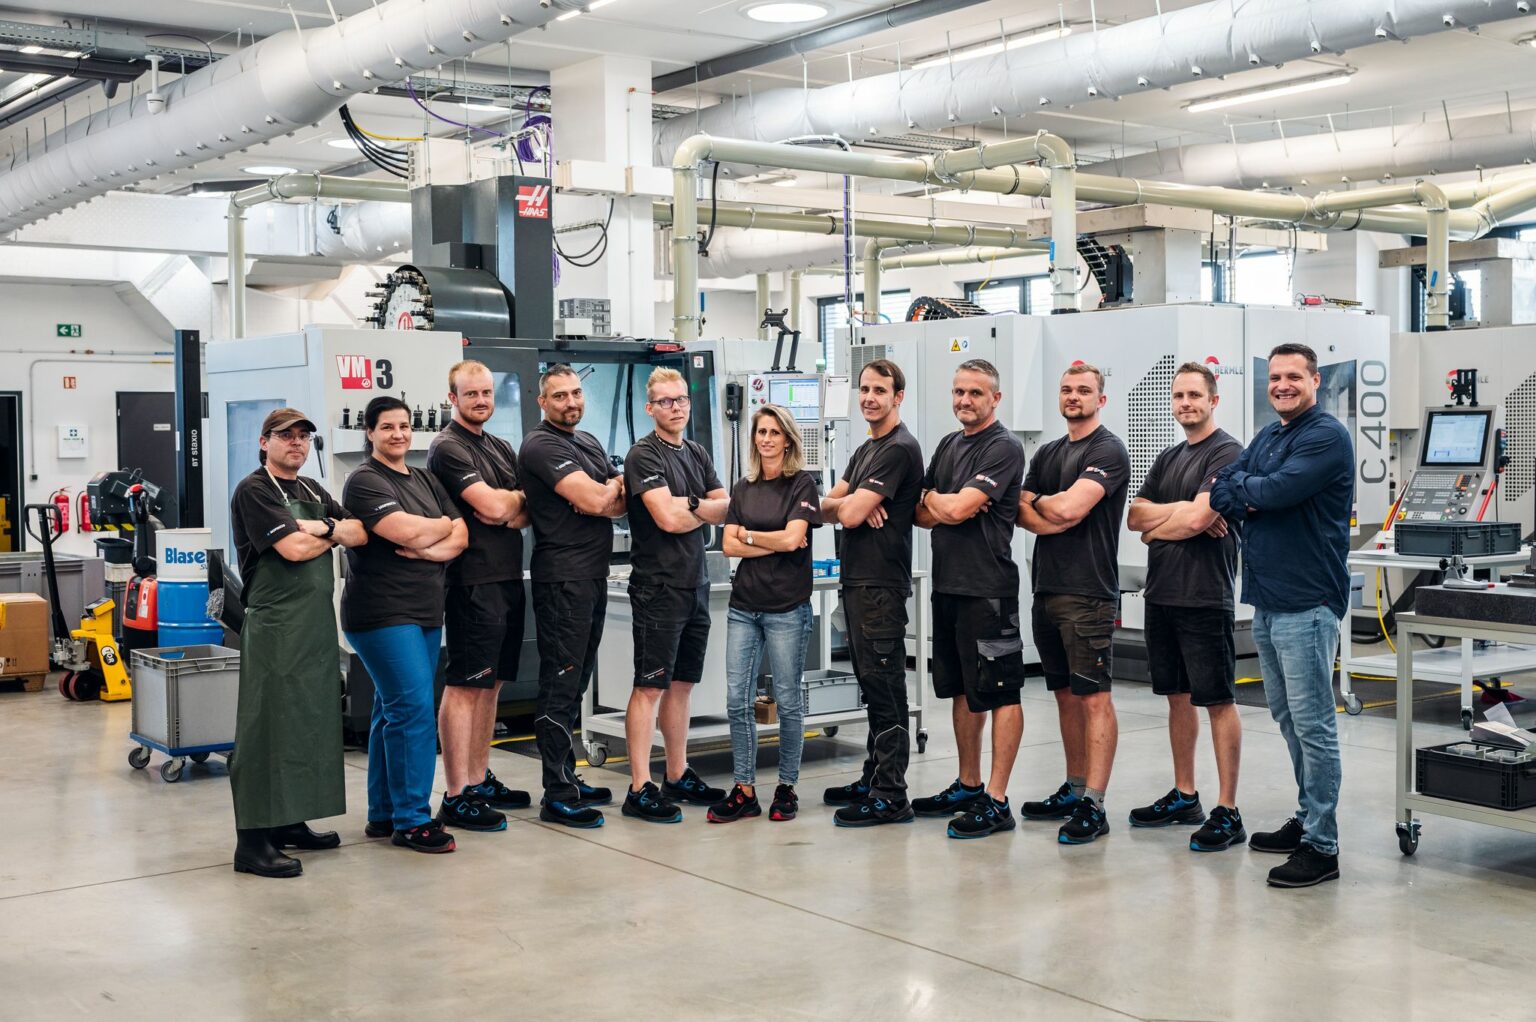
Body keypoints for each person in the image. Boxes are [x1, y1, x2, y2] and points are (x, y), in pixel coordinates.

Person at [1210, 342, 1352, 889]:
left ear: (1315, 380)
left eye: (1294, 376)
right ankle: (1308, 816)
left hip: (1308, 601)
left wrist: (1254, 492)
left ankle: (1323, 845)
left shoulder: (1326, 436)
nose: (1282, 386)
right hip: (1267, 601)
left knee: (1314, 725)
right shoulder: (1270, 435)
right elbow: (1225, 488)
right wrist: (1252, 492)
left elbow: (1278, 490)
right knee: (1289, 719)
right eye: (1275, 377)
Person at [227, 408, 367, 878]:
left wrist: (321, 527)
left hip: (314, 627)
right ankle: (252, 843)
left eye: (304, 436)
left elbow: (359, 531)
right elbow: (291, 549)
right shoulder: (254, 490)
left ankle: (288, 821)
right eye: (285, 436)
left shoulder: (311, 490)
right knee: (265, 730)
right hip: (275, 627)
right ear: (264, 442)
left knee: (307, 721)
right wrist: (329, 534)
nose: (296, 443)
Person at [1125, 362, 1246, 852]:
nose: (1185, 404)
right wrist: (1176, 515)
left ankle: (1228, 808)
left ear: (1213, 400)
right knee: (1177, 697)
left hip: (1204, 595)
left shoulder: (1228, 452)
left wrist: (1166, 523)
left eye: (1195, 395)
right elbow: (1135, 517)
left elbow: (1200, 520)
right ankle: (1185, 795)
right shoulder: (1169, 457)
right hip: (1162, 595)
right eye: (1178, 396)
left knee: (1217, 701)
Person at [343, 395, 468, 854]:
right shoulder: (365, 481)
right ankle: (413, 820)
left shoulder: (425, 478)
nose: (398, 434)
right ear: (370, 433)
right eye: (387, 427)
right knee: (413, 710)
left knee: (390, 710)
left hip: (424, 611)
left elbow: (462, 535)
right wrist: (437, 529)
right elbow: (407, 531)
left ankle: (384, 812)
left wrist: (428, 544)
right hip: (381, 613)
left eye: (403, 426)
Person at [913, 359, 1027, 840]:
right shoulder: (948, 444)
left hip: (988, 591)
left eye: (975, 393)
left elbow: (955, 509)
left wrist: (944, 501)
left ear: (995, 398)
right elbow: (920, 513)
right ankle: (968, 783)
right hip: (949, 587)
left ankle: (997, 800)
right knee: (962, 690)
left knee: (1001, 693)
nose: (964, 400)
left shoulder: (1003, 447)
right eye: (959, 391)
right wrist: (943, 502)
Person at [1016, 363, 1130, 846]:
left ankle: (1095, 804)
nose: (1073, 396)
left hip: (1088, 593)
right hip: (1046, 589)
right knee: (1063, 694)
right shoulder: (1048, 452)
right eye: (1066, 389)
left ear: (1100, 400)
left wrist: (1051, 507)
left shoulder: (1108, 450)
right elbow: (1020, 508)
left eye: (1084, 390)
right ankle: (1075, 786)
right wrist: (1055, 512)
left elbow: (1069, 508)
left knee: (1094, 697)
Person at [426, 360, 532, 834]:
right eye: (471, 394)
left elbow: (524, 510)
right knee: (466, 686)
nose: (481, 401)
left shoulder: (500, 446)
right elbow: (490, 506)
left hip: (507, 576)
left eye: (486, 393)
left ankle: (477, 777)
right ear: (453, 398)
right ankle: (455, 795)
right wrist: (505, 505)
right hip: (471, 581)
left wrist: (508, 505)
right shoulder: (448, 447)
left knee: (493, 685)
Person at [620, 367, 730, 823]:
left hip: (695, 583)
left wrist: (690, 506)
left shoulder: (697, 451)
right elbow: (666, 519)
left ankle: (677, 773)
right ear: (650, 408)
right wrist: (699, 507)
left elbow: (725, 505)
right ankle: (639, 786)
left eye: (681, 399)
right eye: (665, 401)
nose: (676, 407)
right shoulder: (643, 455)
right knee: (650, 686)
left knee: (682, 683)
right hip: (658, 586)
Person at [519, 364, 626, 828]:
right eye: (559, 396)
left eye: (576, 393)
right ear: (543, 402)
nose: (571, 402)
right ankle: (557, 793)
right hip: (563, 580)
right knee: (560, 685)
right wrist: (607, 490)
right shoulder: (541, 445)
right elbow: (601, 502)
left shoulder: (588, 441)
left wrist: (607, 491)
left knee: (578, 682)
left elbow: (619, 501)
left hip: (592, 575)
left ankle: (569, 776)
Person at [819, 359, 924, 827]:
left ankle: (891, 794)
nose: (869, 397)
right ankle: (873, 777)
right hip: (859, 582)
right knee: (870, 686)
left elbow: (846, 513)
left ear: (898, 396)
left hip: (881, 586)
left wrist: (853, 505)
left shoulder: (898, 448)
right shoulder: (867, 448)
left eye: (880, 390)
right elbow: (825, 506)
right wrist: (854, 501)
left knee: (885, 690)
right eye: (864, 389)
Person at [709, 404, 821, 824]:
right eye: (761, 432)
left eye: (775, 432)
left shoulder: (802, 484)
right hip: (744, 607)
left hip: (787, 608)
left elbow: (794, 541)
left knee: (788, 701)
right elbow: (728, 546)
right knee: (737, 701)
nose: (767, 439)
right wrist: (770, 540)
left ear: (788, 439)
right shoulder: (743, 487)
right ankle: (744, 789)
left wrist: (750, 536)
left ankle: (786, 787)